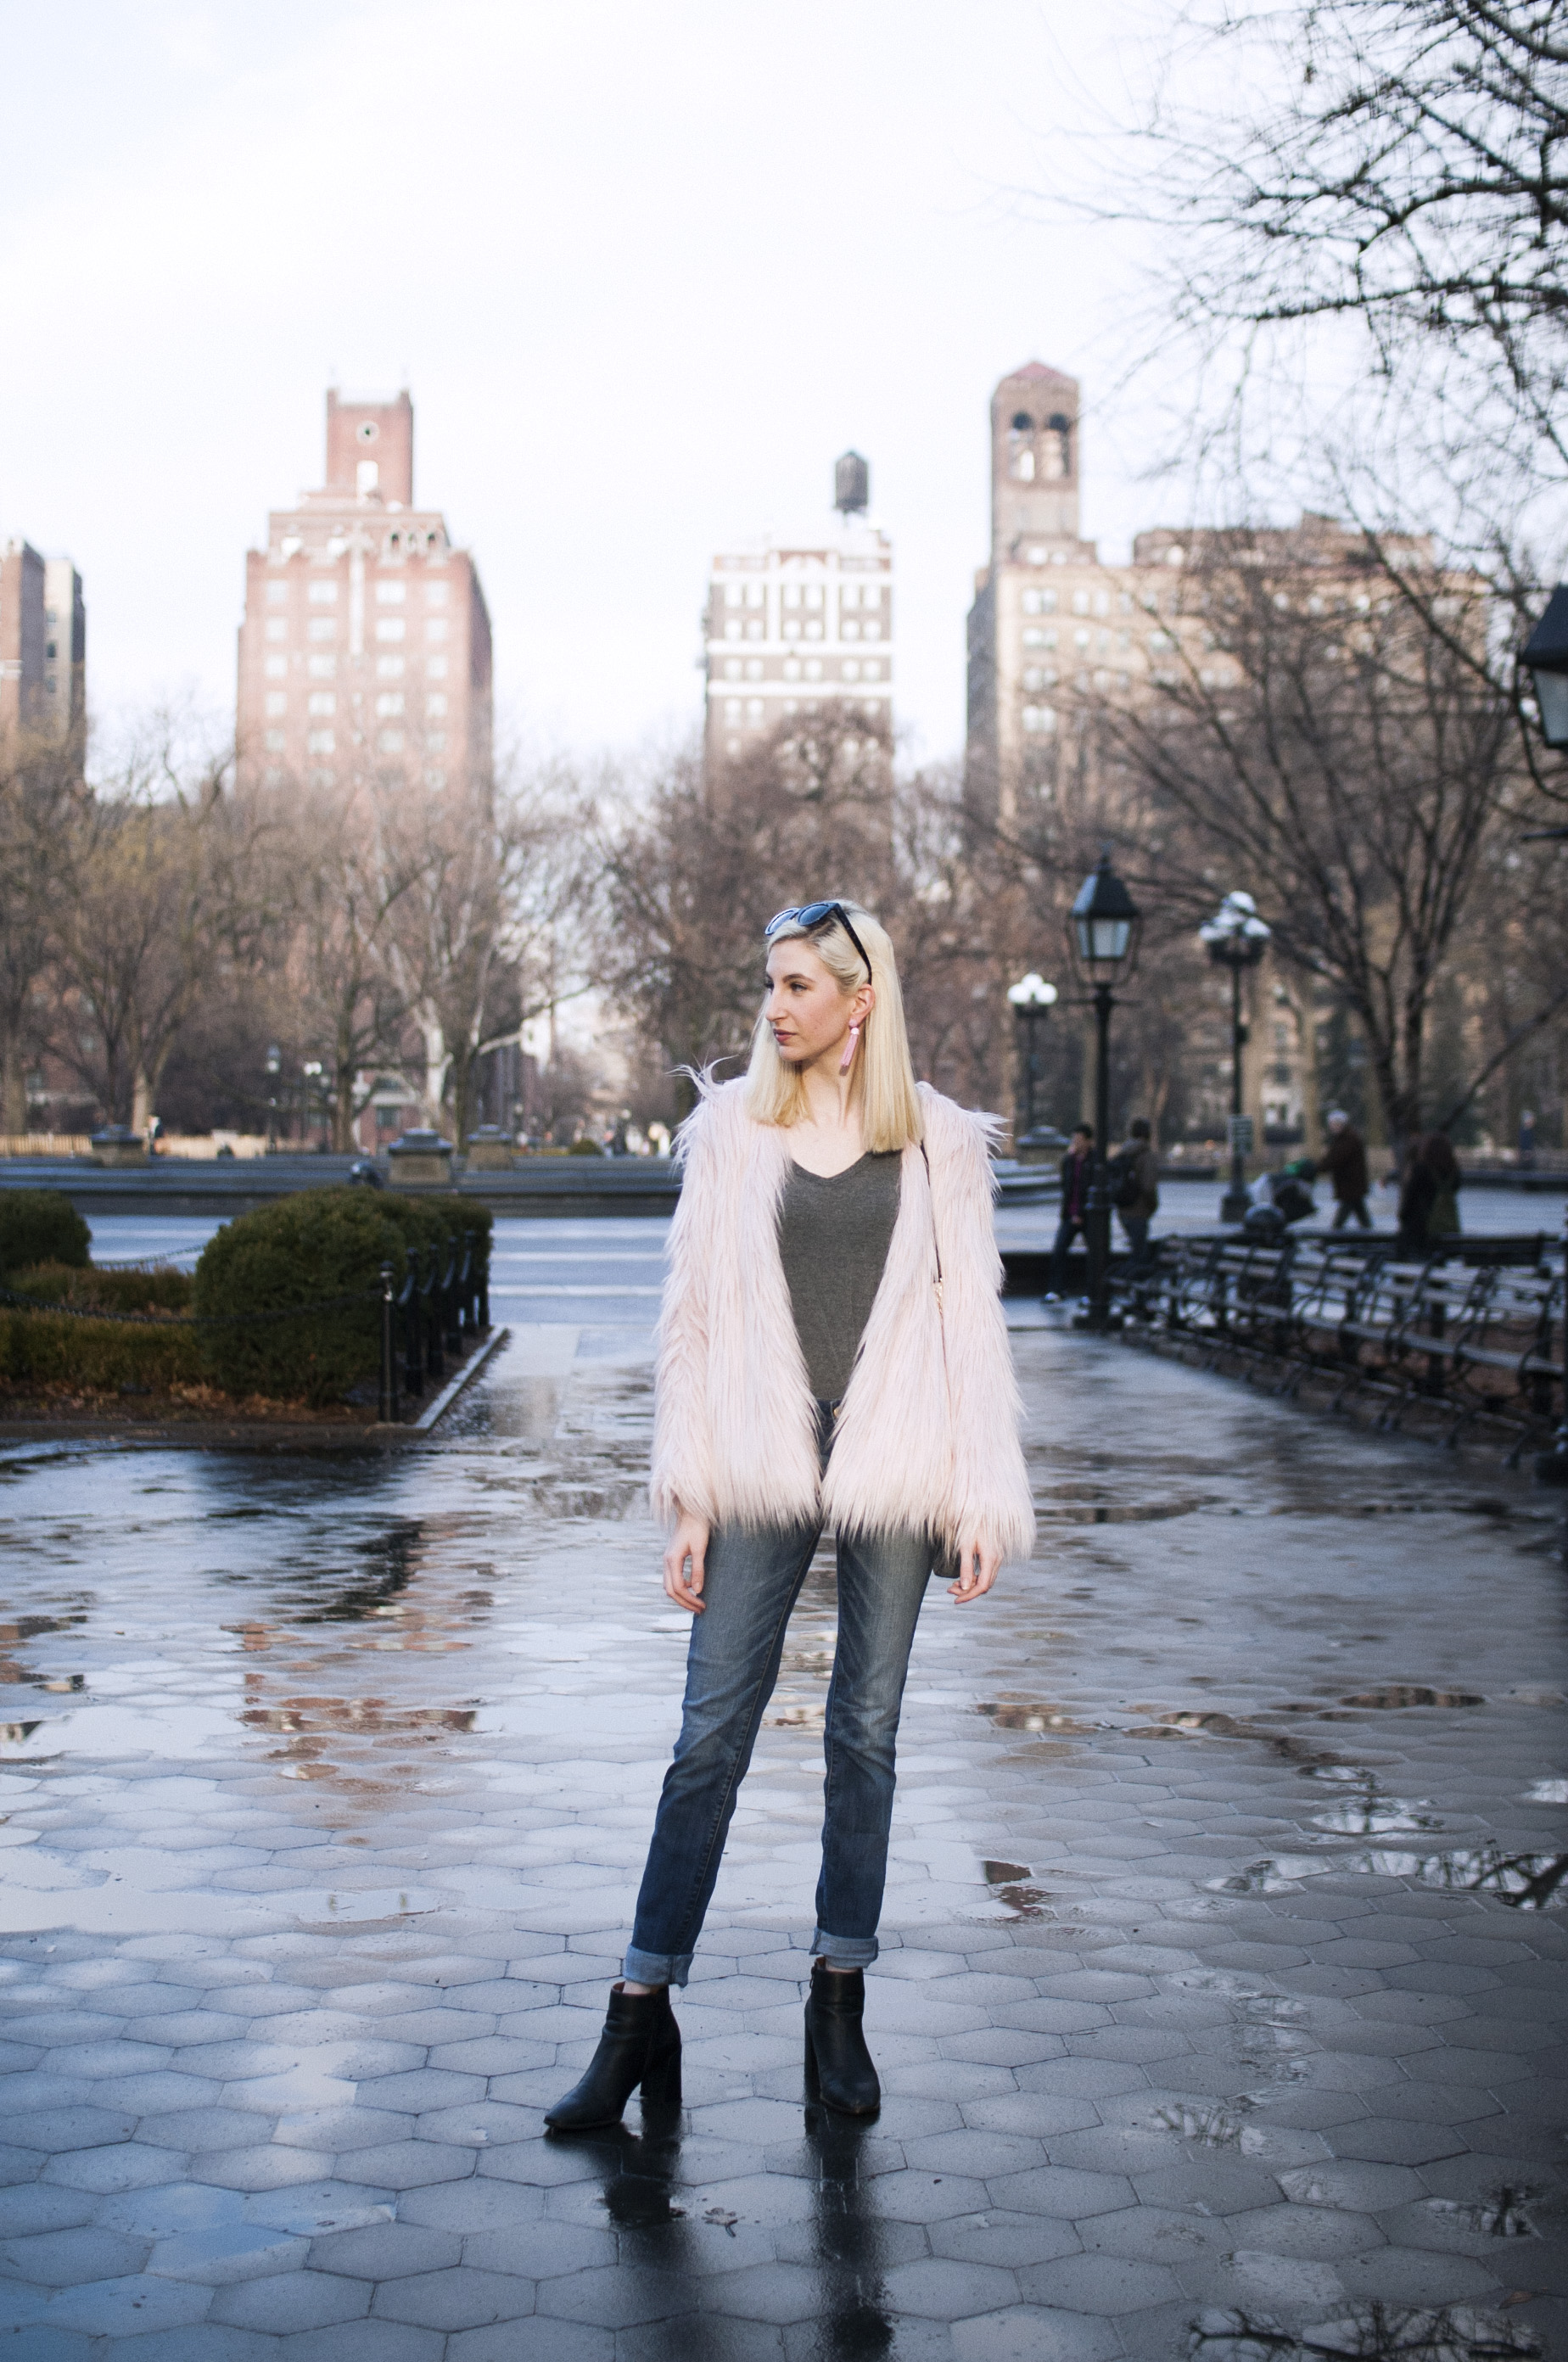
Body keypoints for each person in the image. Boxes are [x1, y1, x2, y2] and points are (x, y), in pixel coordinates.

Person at [544, 899, 1034, 2131]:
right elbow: (694, 1328)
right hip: (760, 1448)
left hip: (902, 1450)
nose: (776, 1007)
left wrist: (981, 1491)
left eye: (800, 986)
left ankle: (837, 1998)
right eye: (770, 984)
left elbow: (971, 1326)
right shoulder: (731, 1133)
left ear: (861, 999)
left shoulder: (938, 1144)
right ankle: (639, 2012)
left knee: (863, 1733)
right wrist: (690, 1497)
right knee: (710, 1730)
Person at [1046, 1124, 1094, 1301]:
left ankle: (1091, 1292)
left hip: (1088, 1216)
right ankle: (1056, 1289)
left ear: (1089, 1141)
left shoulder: (1095, 1161)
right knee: (1059, 1250)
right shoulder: (1069, 1161)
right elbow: (1067, 1187)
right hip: (1069, 1214)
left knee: (1094, 1255)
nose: (1076, 1143)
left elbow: (1090, 1188)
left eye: (1080, 1140)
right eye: (1075, 1139)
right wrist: (1070, 1212)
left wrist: (1081, 1213)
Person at [1397, 1130, 1462, 1257]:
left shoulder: (1421, 1169)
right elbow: (1455, 1188)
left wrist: (1403, 1215)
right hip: (1448, 1225)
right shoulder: (1453, 1172)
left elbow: (1410, 1198)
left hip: (1421, 1228)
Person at [1110, 1117, 1159, 1274]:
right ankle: (1133, 1288)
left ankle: (1129, 1284)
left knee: (1136, 1250)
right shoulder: (1147, 1155)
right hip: (1139, 1209)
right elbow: (1148, 1187)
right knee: (1140, 1256)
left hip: (1123, 1208)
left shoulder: (1124, 1152)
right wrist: (1152, 1206)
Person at [1322, 1110, 1372, 1229]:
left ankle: (1331, 1238)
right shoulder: (1346, 1138)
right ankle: (1369, 1235)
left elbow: (1336, 1159)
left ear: (1340, 1124)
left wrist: (1317, 1168)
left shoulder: (1348, 1139)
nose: (1332, 1127)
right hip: (1351, 1184)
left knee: (1343, 1214)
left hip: (1350, 1183)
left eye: (1333, 1124)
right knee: (1360, 1212)